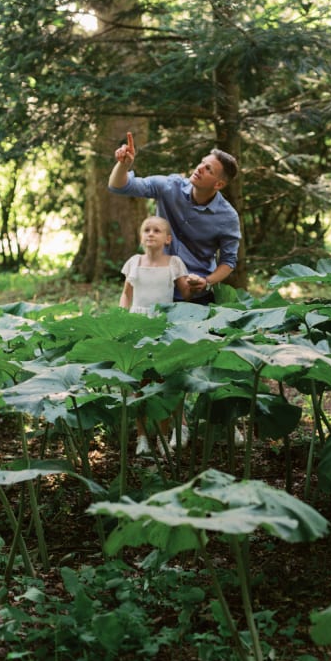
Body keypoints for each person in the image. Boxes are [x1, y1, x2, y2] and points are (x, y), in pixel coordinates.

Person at [108, 131, 241, 305]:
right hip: (155, 290)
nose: (199, 168)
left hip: (195, 296)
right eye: (202, 163)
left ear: (218, 184)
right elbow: (118, 186)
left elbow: (228, 261)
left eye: (208, 169)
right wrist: (124, 165)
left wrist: (207, 281)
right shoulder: (169, 186)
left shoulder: (227, 217)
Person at [120, 215, 198, 455]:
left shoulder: (174, 263)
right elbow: (126, 294)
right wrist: (122, 320)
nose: (150, 234)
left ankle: (163, 438)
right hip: (138, 323)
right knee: (139, 382)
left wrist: (193, 284)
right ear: (141, 236)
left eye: (156, 230)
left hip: (163, 325)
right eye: (146, 230)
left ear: (167, 238)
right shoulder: (134, 262)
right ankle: (142, 438)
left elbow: (185, 293)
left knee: (162, 382)